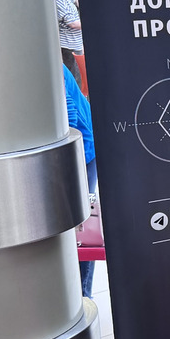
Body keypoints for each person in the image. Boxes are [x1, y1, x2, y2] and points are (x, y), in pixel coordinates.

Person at [63, 64, 98, 298]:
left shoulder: (42, 65)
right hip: (74, 150)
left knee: (81, 226)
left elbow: (69, 115)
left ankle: (84, 296)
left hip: (82, 150)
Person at [54, 0, 84, 77]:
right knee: (74, 78)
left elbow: (76, 0)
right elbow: (73, 23)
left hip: (76, 45)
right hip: (68, 47)